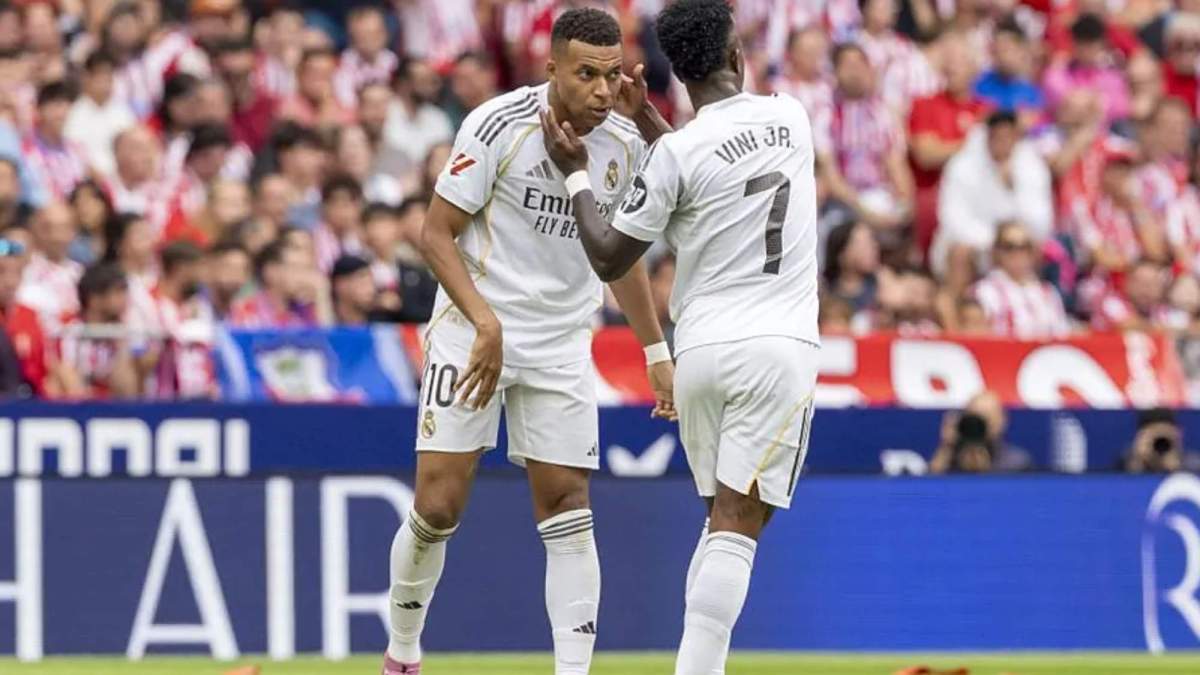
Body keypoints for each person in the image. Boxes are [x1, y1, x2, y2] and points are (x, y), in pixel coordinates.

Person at [381, 9, 672, 675]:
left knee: (569, 503)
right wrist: (484, 321)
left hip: (563, 338)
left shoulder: (624, 145)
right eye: (586, 75)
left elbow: (619, 258)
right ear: (552, 69)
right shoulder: (496, 125)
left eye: (610, 74)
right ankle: (401, 653)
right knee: (437, 506)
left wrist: (657, 352)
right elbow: (435, 232)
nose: (602, 90)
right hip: (473, 327)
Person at [540, 0, 818, 671]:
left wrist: (578, 169)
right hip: (776, 347)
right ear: (735, 58)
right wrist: (634, 130)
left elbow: (609, 254)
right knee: (737, 528)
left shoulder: (678, 153)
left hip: (699, 355)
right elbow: (720, 163)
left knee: (722, 523)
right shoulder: (791, 117)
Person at [971, 221, 1072, 339]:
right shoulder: (983, 292)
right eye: (1009, 247)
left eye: (1024, 247)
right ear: (997, 252)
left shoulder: (1048, 294)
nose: (1017, 253)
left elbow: (1062, 335)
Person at [1121, 407, 1200, 473]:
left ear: (1178, 434)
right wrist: (1138, 462)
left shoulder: (1193, 463)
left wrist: (1178, 469)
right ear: (1140, 436)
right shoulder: (1125, 462)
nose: (1160, 442)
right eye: (1155, 433)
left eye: (1165, 433)